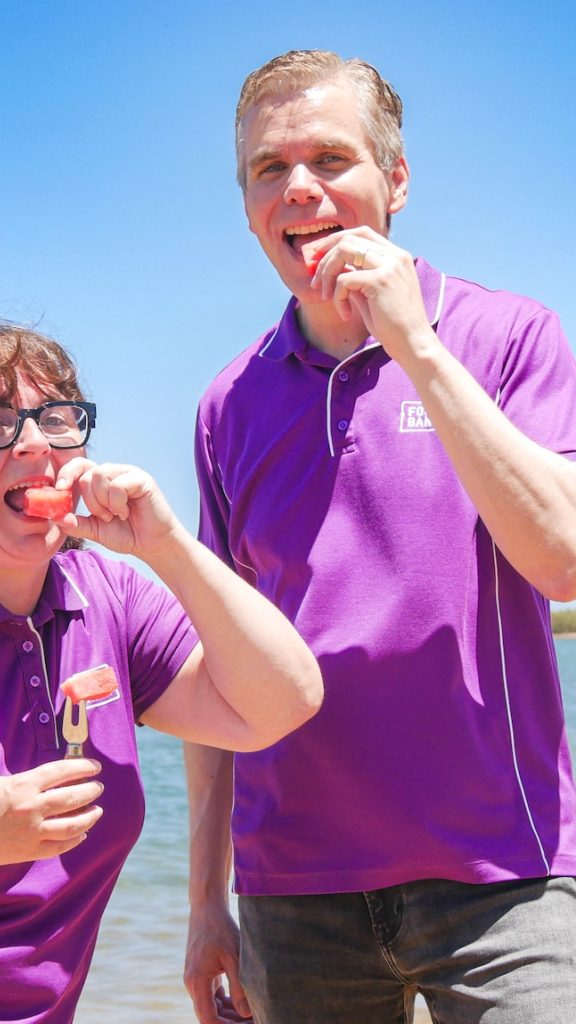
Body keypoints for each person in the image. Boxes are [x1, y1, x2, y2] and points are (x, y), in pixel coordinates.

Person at [184, 49, 576, 1024]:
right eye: (269, 169)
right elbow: (218, 664)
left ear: (395, 179)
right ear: (247, 206)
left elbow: (563, 559)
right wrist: (203, 901)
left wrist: (416, 346)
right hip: (292, 892)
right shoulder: (228, 404)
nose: (299, 188)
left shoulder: (509, 336)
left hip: (504, 875)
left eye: (330, 159)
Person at [0, 320, 323, 1024]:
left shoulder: (108, 597)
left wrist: (168, 546)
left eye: (56, 419)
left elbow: (283, 703)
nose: (33, 443)